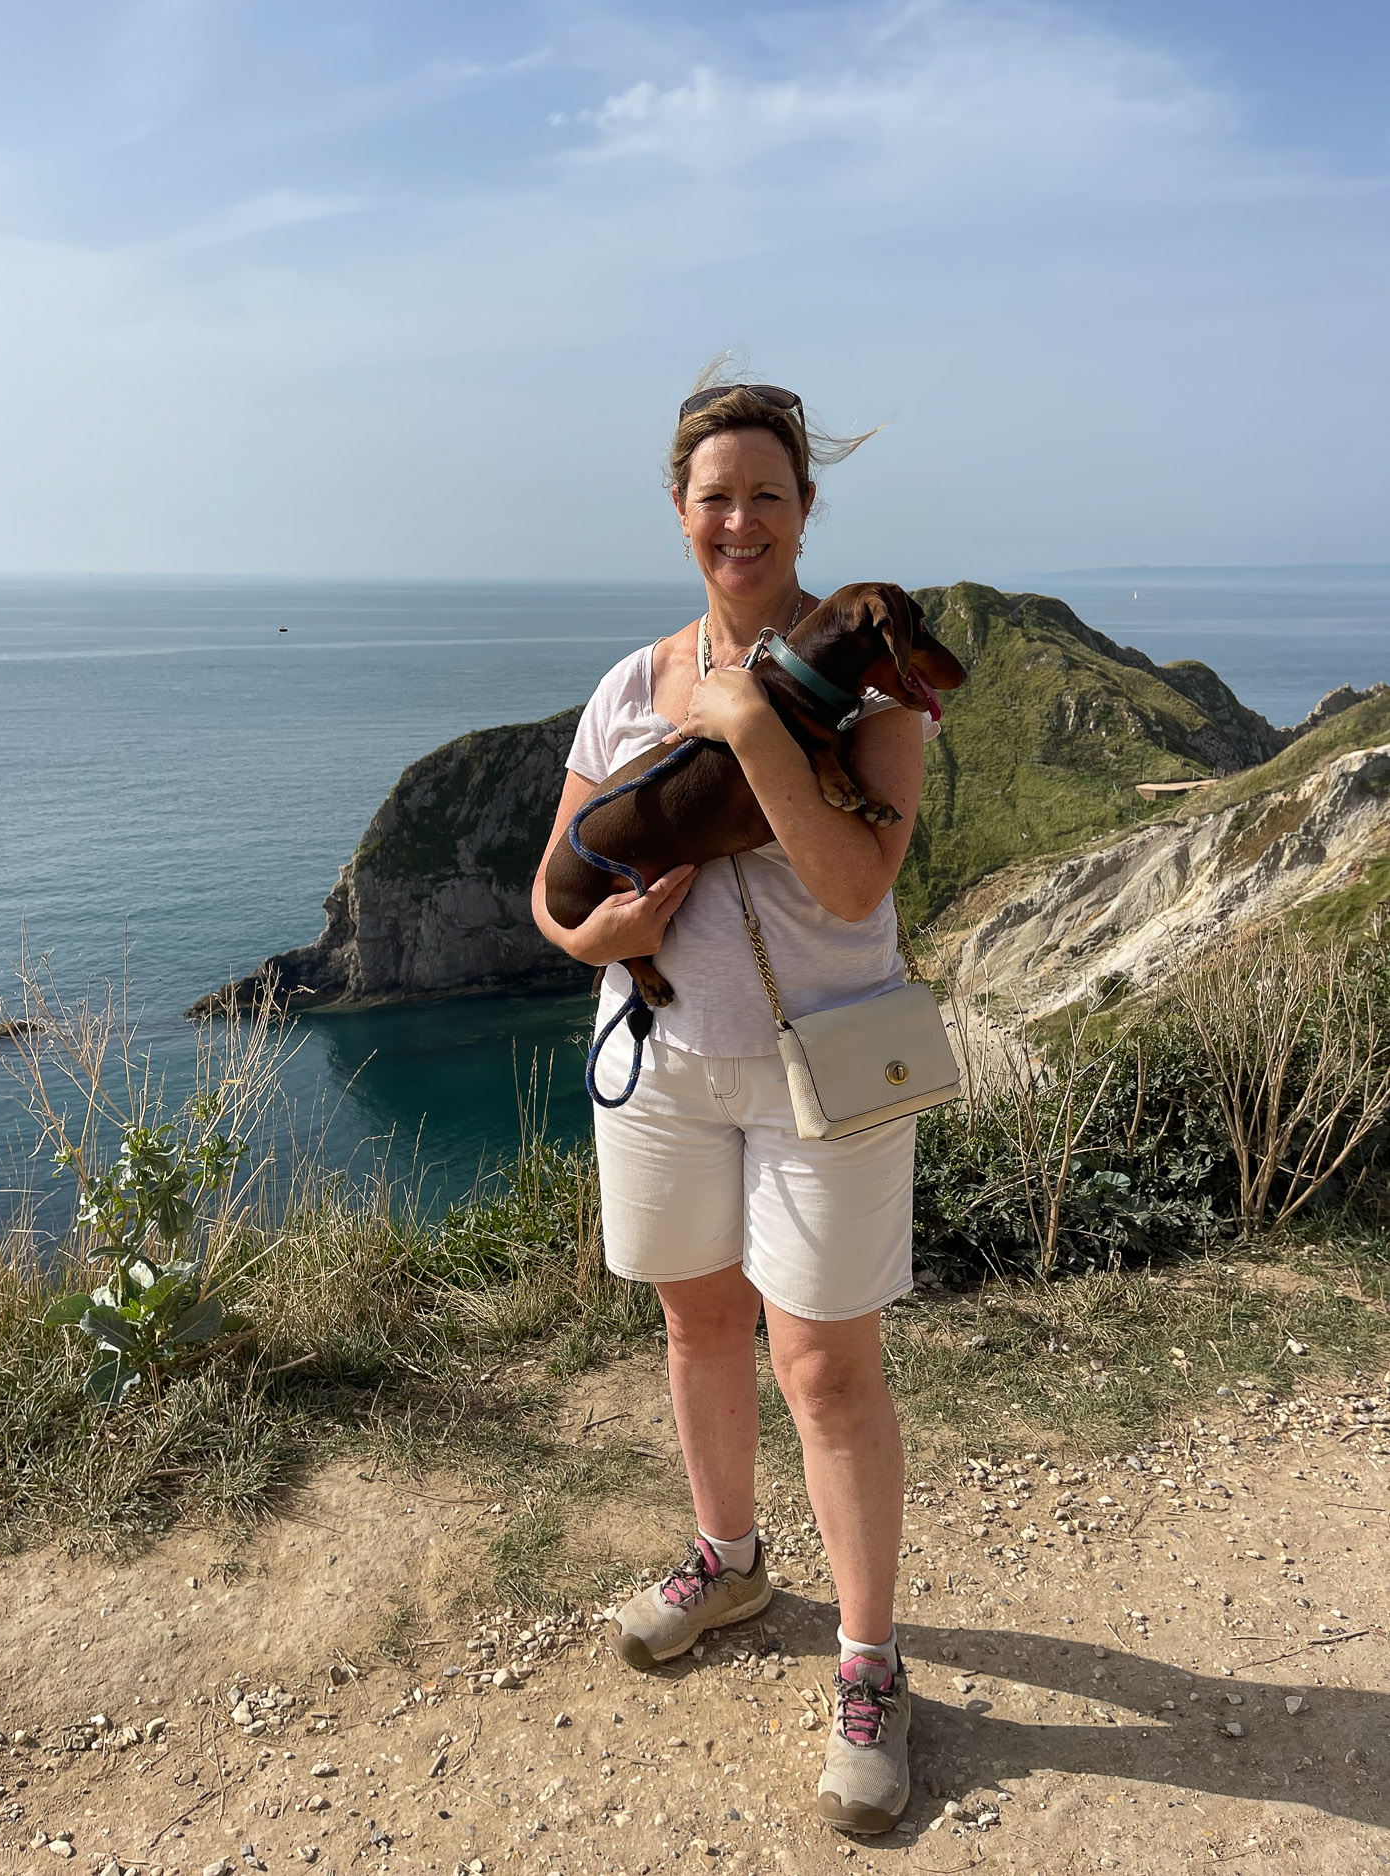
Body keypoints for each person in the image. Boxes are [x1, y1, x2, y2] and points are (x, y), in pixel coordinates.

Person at [531, 375, 939, 1835]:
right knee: (695, 1321)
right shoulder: (630, 684)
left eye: (768, 492)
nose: (740, 518)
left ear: (805, 511)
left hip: (825, 1069)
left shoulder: (875, 690)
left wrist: (747, 722)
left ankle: (870, 1664)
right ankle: (728, 1558)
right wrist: (592, 942)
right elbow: (555, 873)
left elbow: (849, 884)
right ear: (680, 510)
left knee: (824, 1367)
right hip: (662, 1055)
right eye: (715, 494)